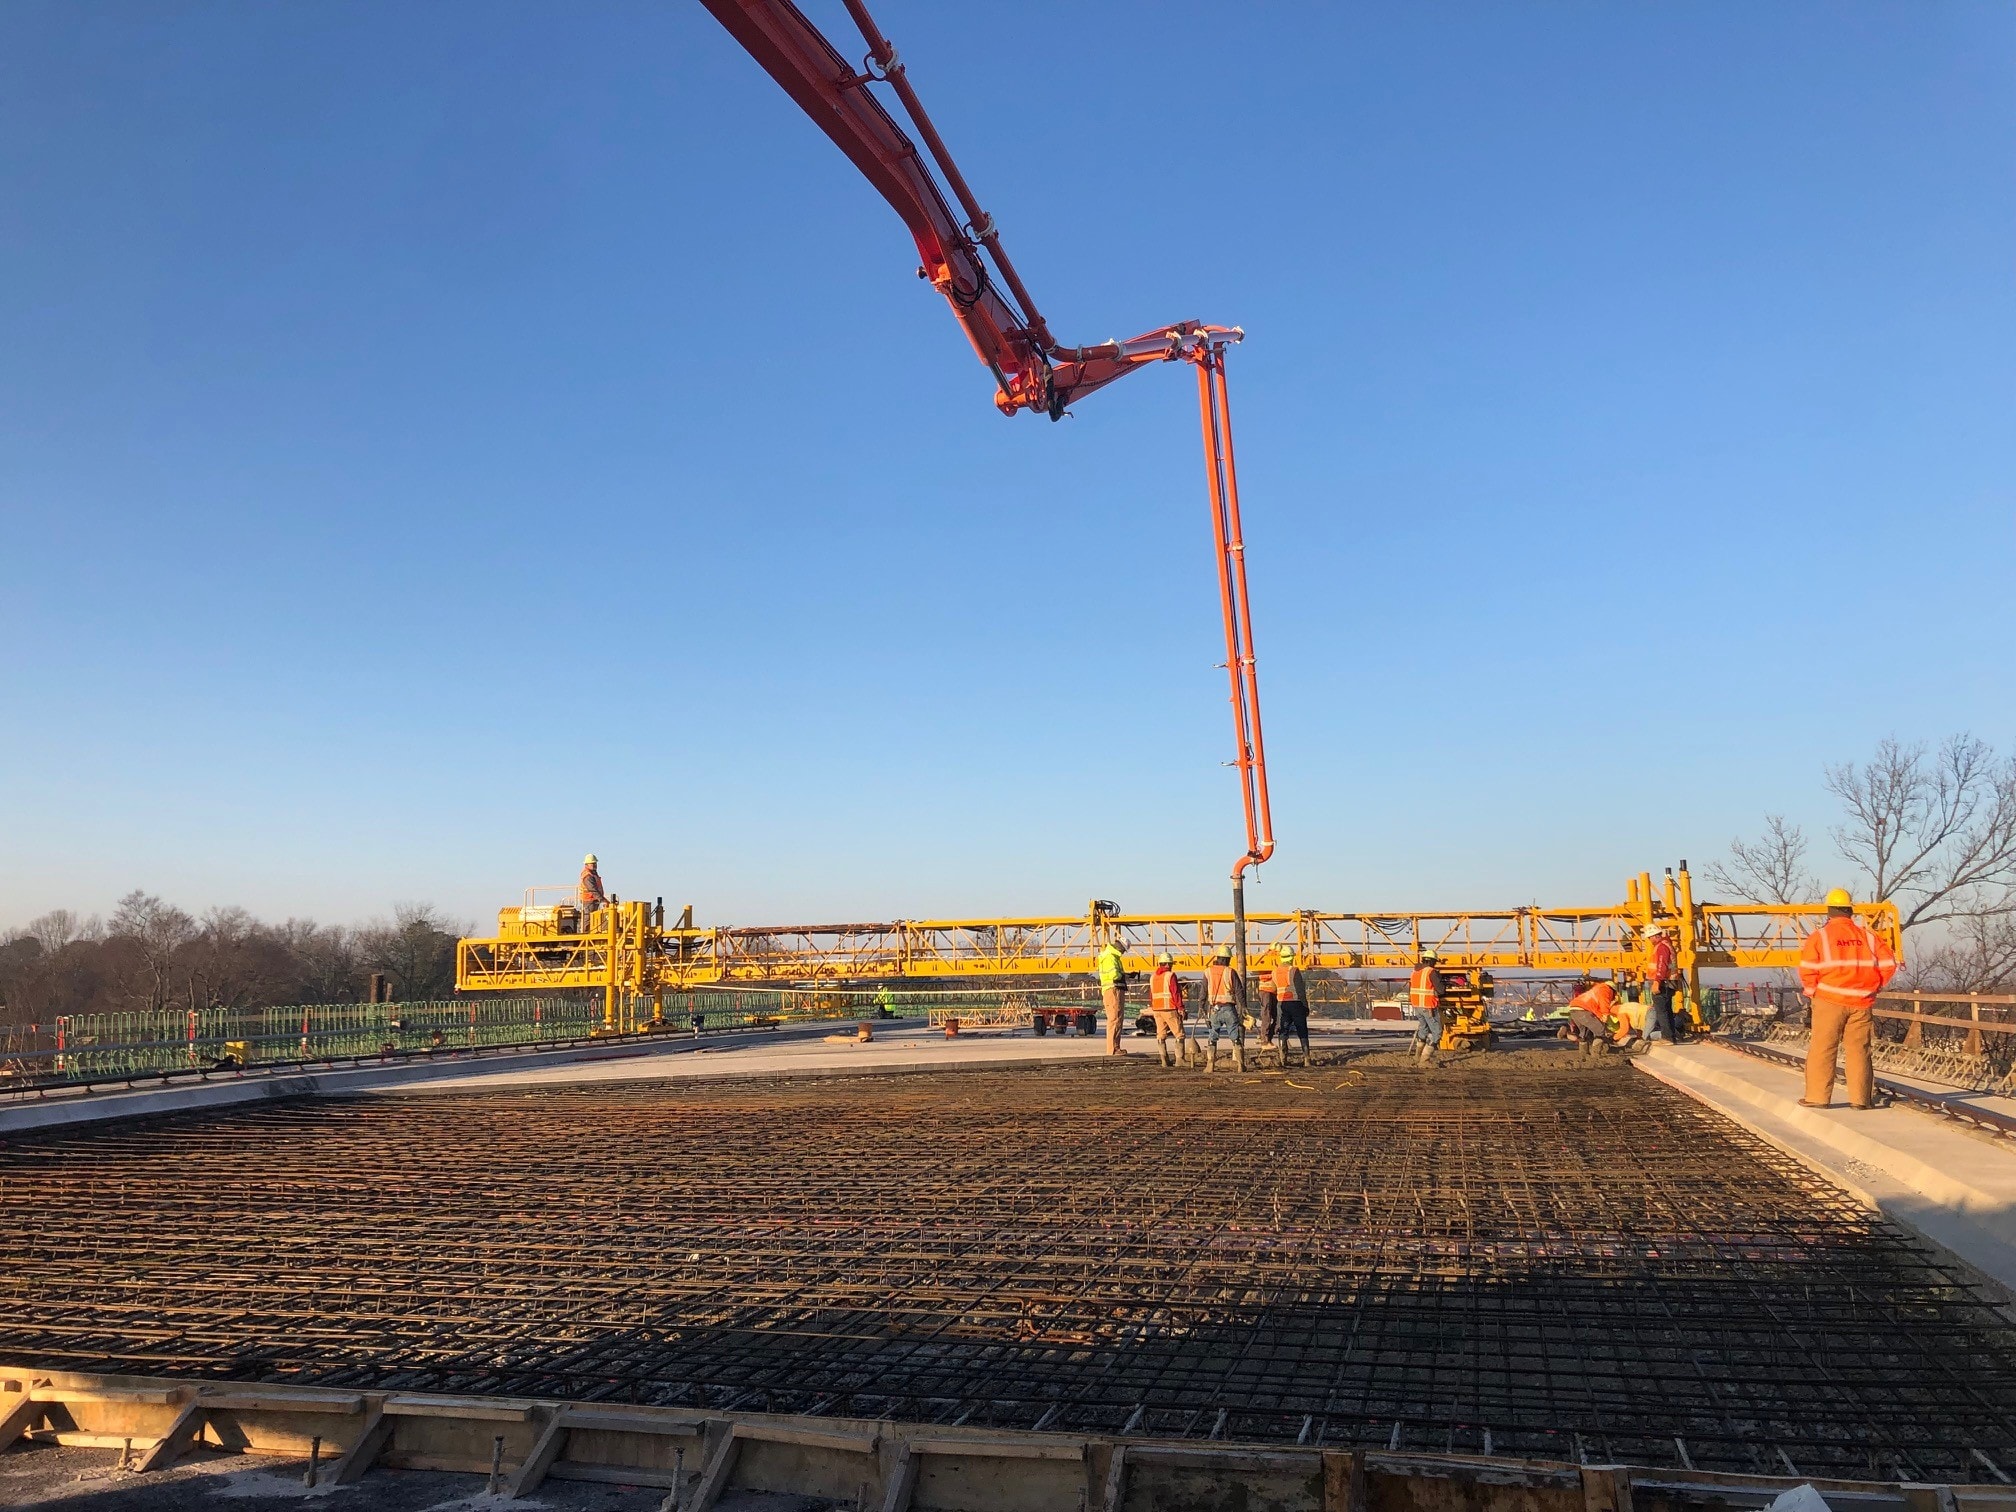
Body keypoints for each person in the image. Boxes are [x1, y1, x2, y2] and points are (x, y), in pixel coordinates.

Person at [1798, 888, 1900, 1110]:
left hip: (1828, 1000)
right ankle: (1861, 1100)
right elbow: (1889, 964)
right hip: (1861, 1002)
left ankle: (1818, 1098)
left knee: (1823, 1048)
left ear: (1829, 911)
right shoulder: (1868, 937)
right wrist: (1875, 985)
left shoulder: (1820, 937)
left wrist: (1811, 991)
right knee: (1859, 1051)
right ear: (1850, 911)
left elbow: (1807, 969)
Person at [1563, 979, 1633, 1055]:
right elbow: (1604, 1002)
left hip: (1574, 1009)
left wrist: (1600, 1016)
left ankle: (1582, 1052)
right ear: (1613, 990)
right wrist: (1605, 1014)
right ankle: (1596, 1053)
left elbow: (1595, 1008)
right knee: (1600, 1030)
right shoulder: (1606, 989)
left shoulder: (1596, 989)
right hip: (1583, 1010)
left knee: (1584, 1035)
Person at [1203, 949, 1246, 1073]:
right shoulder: (1230, 971)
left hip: (1214, 1010)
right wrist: (1243, 1006)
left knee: (1212, 1036)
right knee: (1235, 1037)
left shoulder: (1208, 972)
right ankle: (1240, 1065)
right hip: (1229, 1009)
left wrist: (1201, 1006)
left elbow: (1203, 991)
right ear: (1227, 959)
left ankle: (1210, 1065)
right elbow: (1239, 990)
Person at [1148, 951, 1189, 1068]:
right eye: (1171, 964)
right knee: (1179, 1034)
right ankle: (1180, 1059)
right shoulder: (1170, 976)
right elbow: (1176, 993)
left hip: (1157, 1010)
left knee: (1160, 1035)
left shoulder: (1153, 977)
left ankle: (1164, 1060)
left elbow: (1151, 995)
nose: (1171, 966)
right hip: (1169, 1009)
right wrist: (1180, 1008)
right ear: (1167, 964)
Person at [1271, 946, 1311, 1065]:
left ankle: (1283, 1058)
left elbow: (1273, 988)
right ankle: (1306, 1058)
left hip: (1282, 1004)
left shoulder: (1275, 971)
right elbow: (1300, 990)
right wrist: (1305, 1006)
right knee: (1302, 1030)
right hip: (1296, 1003)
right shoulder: (1294, 970)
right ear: (1292, 957)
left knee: (1283, 1030)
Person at [1408, 949, 1443, 1063]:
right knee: (1437, 1033)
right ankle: (1425, 1058)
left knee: (1423, 1030)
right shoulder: (1431, 972)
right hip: (1428, 1006)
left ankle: (1417, 1056)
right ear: (1432, 961)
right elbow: (1441, 990)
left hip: (1417, 1006)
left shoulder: (1414, 972)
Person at [1097, 939, 1130, 1056]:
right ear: (1120, 948)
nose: (1123, 953)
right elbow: (1115, 974)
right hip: (1112, 990)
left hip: (1115, 989)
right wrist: (1123, 975)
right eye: (1124, 950)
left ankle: (1116, 1047)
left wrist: (1126, 974)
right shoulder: (1110, 957)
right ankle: (1112, 1049)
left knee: (1117, 1019)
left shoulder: (1113, 957)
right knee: (1114, 1019)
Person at [1644, 926, 1677, 1043]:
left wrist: (1657, 982)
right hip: (1668, 982)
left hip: (1663, 982)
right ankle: (1671, 1036)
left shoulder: (1661, 947)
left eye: (1649, 938)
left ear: (1654, 936)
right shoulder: (1667, 945)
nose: (1649, 940)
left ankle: (1667, 1037)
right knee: (1667, 1010)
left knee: (1661, 1011)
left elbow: (1661, 966)